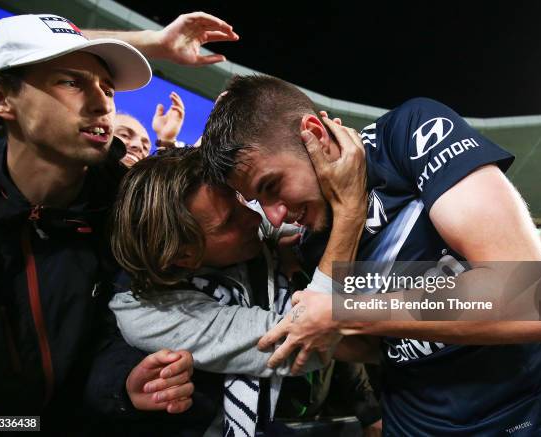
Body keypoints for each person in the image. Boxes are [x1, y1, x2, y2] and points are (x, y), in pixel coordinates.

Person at [201, 74, 541, 435]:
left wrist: (341, 313)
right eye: (258, 201)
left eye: (272, 186)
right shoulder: (311, 242)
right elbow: (383, 345)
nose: (274, 214)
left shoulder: (409, 133)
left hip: (535, 416)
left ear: (314, 135)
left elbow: (535, 301)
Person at [0, 12, 237, 431]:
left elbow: (118, 329)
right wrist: (153, 41)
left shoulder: (125, 204)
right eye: (71, 82)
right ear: (0, 98)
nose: (102, 104)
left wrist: (124, 384)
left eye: (107, 87)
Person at [109, 147, 382, 436]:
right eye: (229, 222)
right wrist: (350, 213)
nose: (255, 218)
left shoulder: (249, 235)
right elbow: (310, 341)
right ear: (183, 256)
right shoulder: (149, 314)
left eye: (239, 199)